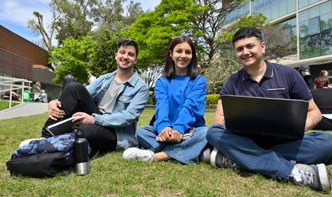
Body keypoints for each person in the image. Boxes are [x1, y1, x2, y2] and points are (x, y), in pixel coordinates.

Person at [206, 27, 332, 192]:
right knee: (213, 132)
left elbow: (315, 113)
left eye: (250, 46)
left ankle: (239, 158)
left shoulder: (289, 74)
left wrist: (292, 129)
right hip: (246, 140)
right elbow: (218, 120)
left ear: (262, 47)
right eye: (239, 49)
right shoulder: (231, 82)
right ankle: (291, 172)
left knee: (329, 144)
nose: (245, 52)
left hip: (283, 141)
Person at [20, 39, 149, 154]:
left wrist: (94, 119)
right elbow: (80, 94)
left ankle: (56, 143)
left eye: (130, 54)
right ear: (116, 56)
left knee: (85, 131)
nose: (125, 57)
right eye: (122, 52)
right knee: (74, 87)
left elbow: (128, 117)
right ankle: (45, 138)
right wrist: (54, 102)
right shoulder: (105, 79)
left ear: (135, 60)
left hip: (116, 133)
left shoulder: (141, 88)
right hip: (95, 119)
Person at [123, 36, 208, 165]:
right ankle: (191, 151)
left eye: (188, 52)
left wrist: (179, 129)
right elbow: (162, 106)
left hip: (190, 131)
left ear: (192, 56)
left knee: (206, 133)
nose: (183, 55)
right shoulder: (162, 82)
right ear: (171, 54)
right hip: (166, 133)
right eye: (179, 51)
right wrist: (164, 127)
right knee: (142, 131)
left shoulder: (199, 80)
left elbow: (190, 107)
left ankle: (156, 156)